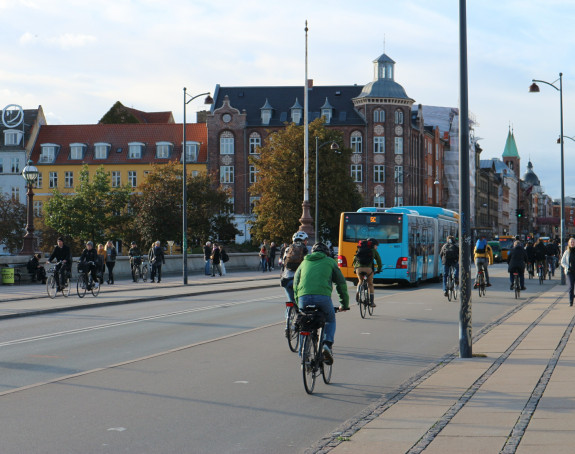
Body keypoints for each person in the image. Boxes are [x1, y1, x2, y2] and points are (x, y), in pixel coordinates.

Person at [294, 242, 349, 365]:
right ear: (327, 253)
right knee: (330, 320)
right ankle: (327, 344)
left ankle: (303, 352)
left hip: (304, 297)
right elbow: (341, 284)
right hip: (322, 298)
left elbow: (295, 284)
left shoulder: (304, 262)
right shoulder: (330, 262)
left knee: (304, 322)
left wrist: (299, 303)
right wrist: (344, 304)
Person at [280, 231, 309, 304]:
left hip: (287, 279)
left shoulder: (288, 249)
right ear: (304, 241)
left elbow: (283, 264)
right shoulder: (308, 249)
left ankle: (289, 314)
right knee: (302, 302)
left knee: (291, 303)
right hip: (300, 281)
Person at [352, 238, 382, 307]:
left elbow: (355, 258)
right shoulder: (373, 251)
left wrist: (355, 268)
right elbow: (379, 261)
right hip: (368, 270)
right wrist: (379, 269)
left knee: (360, 281)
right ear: (373, 245)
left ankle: (358, 293)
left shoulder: (360, 249)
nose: (376, 247)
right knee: (370, 284)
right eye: (376, 246)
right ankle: (371, 302)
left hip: (358, 269)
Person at [561, 237, 575, 306]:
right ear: (569, 243)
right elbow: (562, 262)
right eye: (571, 242)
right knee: (571, 287)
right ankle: (571, 301)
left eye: (573, 242)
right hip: (569, 272)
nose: (572, 243)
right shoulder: (566, 252)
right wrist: (567, 266)